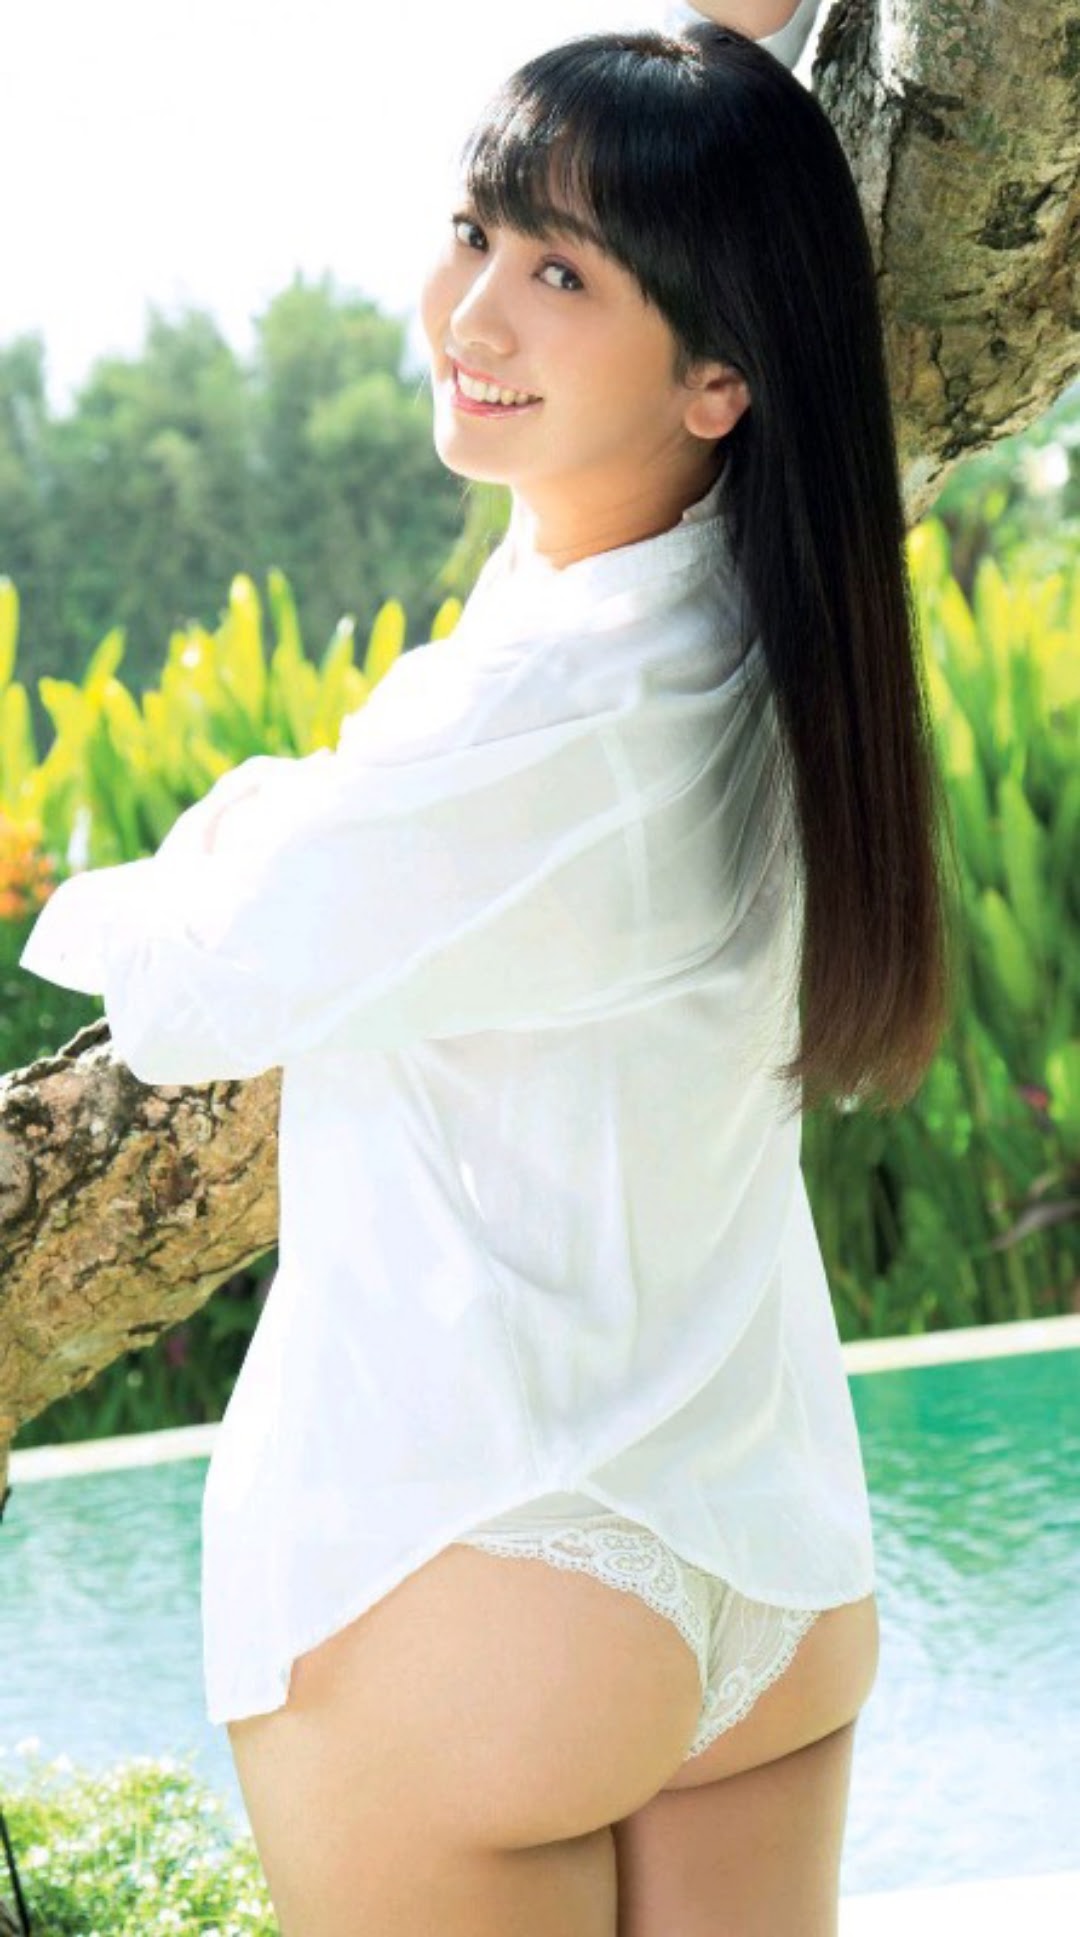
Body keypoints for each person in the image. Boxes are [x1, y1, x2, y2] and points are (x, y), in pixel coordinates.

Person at [20, 0, 958, 1931]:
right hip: (766, 1562)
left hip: (479, 1566)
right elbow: (730, 209)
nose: (472, 311)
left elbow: (191, 986)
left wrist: (241, 818)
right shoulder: (766, 619)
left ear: (721, 374)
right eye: (473, 230)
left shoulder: (534, 718)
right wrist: (715, 53)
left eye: (559, 274)